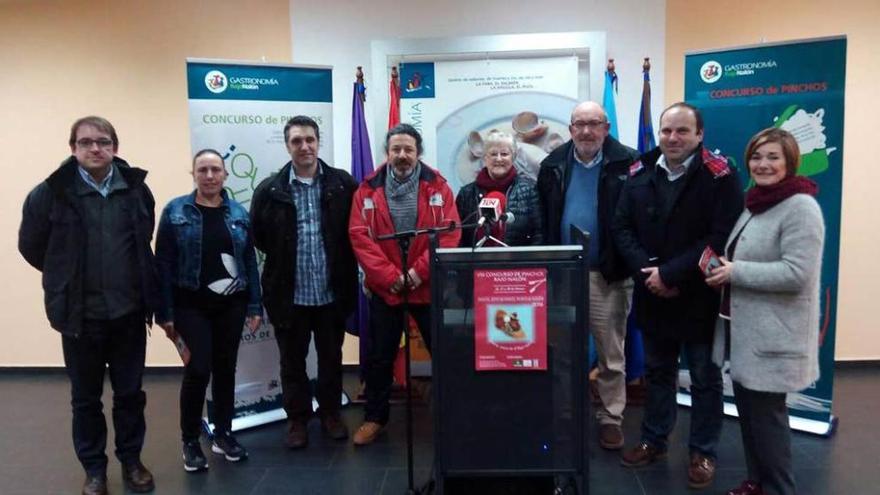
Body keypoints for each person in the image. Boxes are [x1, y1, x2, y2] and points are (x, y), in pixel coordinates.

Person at [18, 116, 158, 495]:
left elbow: (144, 236)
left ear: (115, 146)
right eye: (86, 142)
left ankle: (132, 462)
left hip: (128, 313)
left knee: (131, 395)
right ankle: (94, 469)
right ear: (73, 148)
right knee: (85, 399)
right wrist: (65, 277)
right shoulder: (50, 193)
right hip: (80, 317)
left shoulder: (135, 189)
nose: (95, 148)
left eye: (103, 141)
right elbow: (31, 246)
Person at [612, 102, 743, 489]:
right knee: (658, 373)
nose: (672, 138)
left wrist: (670, 274)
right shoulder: (638, 170)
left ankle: (703, 450)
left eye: (682, 131)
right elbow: (621, 228)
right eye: (667, 130)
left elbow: (721, 237)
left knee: (704, 377)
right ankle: (655, 439)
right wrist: (649, 274)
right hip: (651, 292)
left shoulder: (721, 176)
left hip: (698, 295)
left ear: (700, 135)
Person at [706, 128, 824, 495]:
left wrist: (735, 271)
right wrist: (726, 265)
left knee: (769, 423)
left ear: (790, 161)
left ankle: (778, 488)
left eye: (773, 157)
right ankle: (756, 482)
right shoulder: (756, 202)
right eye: (757, 157)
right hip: (745, 333)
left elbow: (797, 273)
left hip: (773, 336)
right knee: (751, 419)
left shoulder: (801, 206)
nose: (763, 164)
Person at [349, 123, 461, 445]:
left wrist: (416, 274)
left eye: (408, 149)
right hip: (387, 290)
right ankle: (375, 418)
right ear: (388, 152)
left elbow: (450, 234)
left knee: (443, 353)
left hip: (426, 286)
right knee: (380, 357)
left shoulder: (439, 187)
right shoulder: (367, 189)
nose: (402, 155)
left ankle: (451, 416)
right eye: (396, 149)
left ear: (418, 152)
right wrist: (390, 277)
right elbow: (360, 237)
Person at [251, 116, 359, 449]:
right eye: (297, 141)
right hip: (289, 295)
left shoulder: (343, 185)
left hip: (331, 292)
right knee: (292, 362)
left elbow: (355, 233)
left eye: (309, 139)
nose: (304, 146)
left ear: (318, 142)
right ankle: (297, 420)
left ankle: (329, 414)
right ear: (288, 146)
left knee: (330, 358)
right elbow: (259, 236)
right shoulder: (270, 190)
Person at [537, 101, 640, 450]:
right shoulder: (552, 164)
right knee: (564, 351)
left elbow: (639, 219)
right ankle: (566, 415)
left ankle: (610, 417)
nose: (586, 131)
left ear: (606, 127)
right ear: (570, 129)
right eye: (579, 124)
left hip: (607, 274)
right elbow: (545, 217)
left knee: (611, 353)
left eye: (594, 124)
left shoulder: (629, 162)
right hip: (563, 273)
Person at [155, 149, 262, 472]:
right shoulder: (176, 211)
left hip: (231, 305)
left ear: (225, 176)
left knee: (226, 369)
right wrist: (166, 312)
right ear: (194, 174)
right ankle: (189, 439)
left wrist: (255, 305)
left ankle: (223, 433)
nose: (210, 175)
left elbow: (248, 263)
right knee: (199, 368)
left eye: (216, 169)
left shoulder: (239, 213)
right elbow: (163, 264)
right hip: (190, 305)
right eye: (203, 170)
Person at [456, 130, 542, 247]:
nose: (499, 159)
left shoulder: (530, 190)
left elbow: (539, 233)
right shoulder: (466, 194)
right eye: (493, 154)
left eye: (504, 154)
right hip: (475, 262)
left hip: (518, 263)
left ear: (513, 157)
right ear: (484, 158)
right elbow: (458, 236)